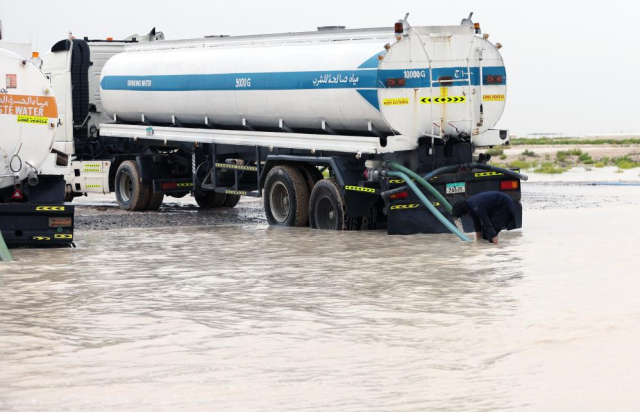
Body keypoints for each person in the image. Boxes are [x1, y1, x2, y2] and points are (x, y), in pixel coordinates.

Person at [451, 191, 516, 245]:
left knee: (490, 231)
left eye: (463, 214)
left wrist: (496, 247)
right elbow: (477, 225)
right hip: (495, 207)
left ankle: (497, 250)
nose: (465, 215)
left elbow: (488, 225)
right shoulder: (469, 207)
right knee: (485, 234)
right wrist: (477, 242)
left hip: (504, 204)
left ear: (464, 211)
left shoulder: (476, 208)